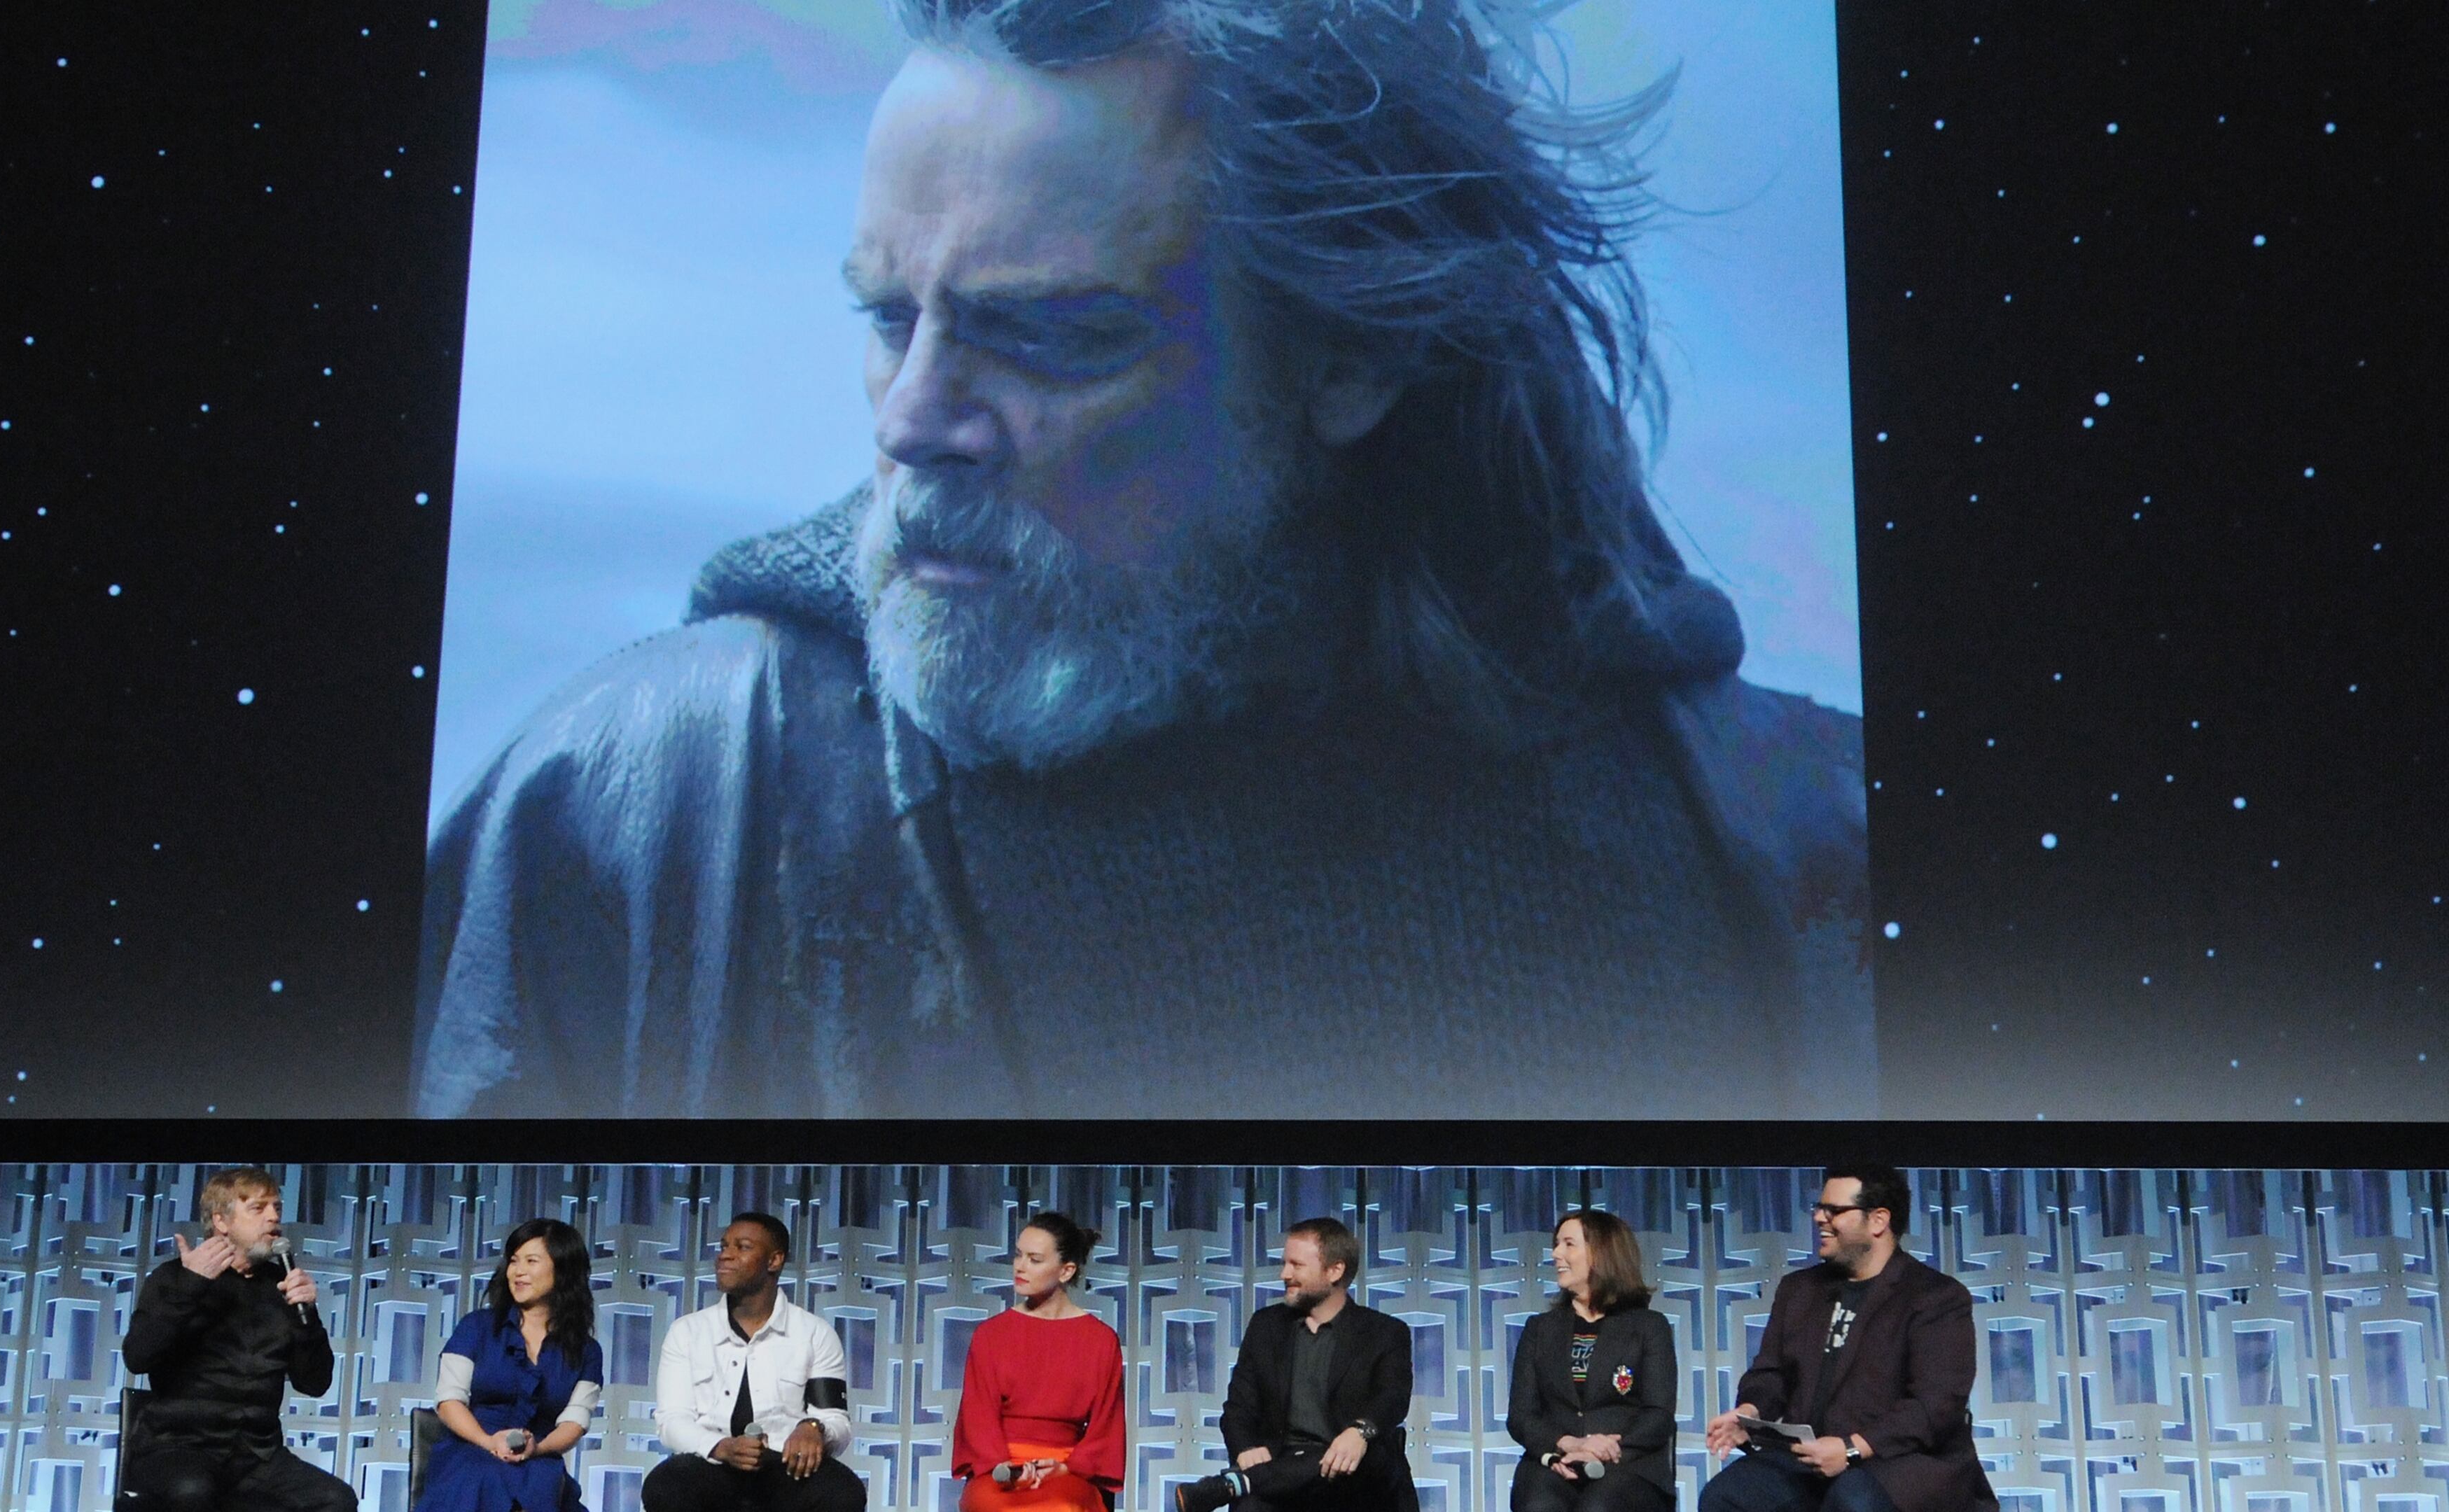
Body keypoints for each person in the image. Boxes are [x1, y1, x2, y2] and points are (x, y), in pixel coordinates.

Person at [413, 0, 1870, 1122]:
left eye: (1051, 333)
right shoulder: (636, 811)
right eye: (885, 319)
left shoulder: (1795, 847)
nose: (916, 419)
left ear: (1351, 357)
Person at [1698, 1168, 1995, 1512]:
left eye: (1834, 1210)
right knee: (1727, 1496)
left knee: (1853, 1500)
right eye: (1820, 1207)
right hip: (1811, 1460)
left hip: (1897, 1462)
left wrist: (1852, 1449)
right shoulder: (1799, 1291)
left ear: (1878, 1221)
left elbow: (1934, 1405)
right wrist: (1749, 1413)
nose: (1819, 1218)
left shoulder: (1935, 1297)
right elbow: (1771, 1374)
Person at [118, 1168, 356, 1512]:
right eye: (258, 1209)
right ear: (222, 1221)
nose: (274, 1217)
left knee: (336, 1501)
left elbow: (315, 1384)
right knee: (193, 1491)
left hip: (257, 1456)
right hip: (176, 1447)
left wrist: (308, 1318)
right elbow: (138, 1357)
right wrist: (191, 1285)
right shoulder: (175, 1278)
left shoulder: (284, 1286)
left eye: (276, 1207)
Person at [1175, 1217, 1412, 1512]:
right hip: (1280, 1464)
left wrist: (1359, 1432)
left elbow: (1393, 1397)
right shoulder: (1266, 1326)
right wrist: (1246, 1448)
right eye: (1285, 1263)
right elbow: (1238, 1409)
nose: (1284, 1274)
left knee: (1366, 1455)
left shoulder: (1385, 1332)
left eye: (1296, 1265)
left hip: (1351, 1471)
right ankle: (1250, 1482)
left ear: (1335, 1270)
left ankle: (1240, 1483)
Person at [646, 1213, 865, 1512]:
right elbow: (672, 1422)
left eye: (742, 1247)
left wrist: (813, 1428)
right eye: (724, 1246)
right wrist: (722, 1447)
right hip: (711, 1465)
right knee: (666, 1484)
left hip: (785, 1470)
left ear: (774, 1261)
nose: (725, 1255)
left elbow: (836, 1421)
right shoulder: (688, 1331)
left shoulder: (814, 1333)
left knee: (842, 1491)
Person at [419, 1219, 606, 1512]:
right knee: (483, 1478)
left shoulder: (587, 1351)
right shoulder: (477, 1327)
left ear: (564, 1270)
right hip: (471, 1450)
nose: (517, 1272)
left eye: (531, 1261)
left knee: (542, 1491)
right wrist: (488, 1441)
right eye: (514, 1261)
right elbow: (449, 1400)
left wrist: (537, 1449)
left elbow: (574, 1423)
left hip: (538, 1460)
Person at [952, 1213, 1126, 1512]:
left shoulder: (1101, 1341)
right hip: (1001, 1469)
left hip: (1066, 1470)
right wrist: (1002, 1468)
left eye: (1034, 1259)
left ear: (1066, 1271)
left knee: (1063, 1507)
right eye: (1018, 1255)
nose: (1020, 1267)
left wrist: (1069, 1467)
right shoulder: (991, 1335)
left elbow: (1105, 1427)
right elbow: (977, 1416)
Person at [1507, 1212, 1675, 1512]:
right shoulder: (1539, 1329)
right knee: (1538, 1506)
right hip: (1556, 1462)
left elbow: (1658, 1415)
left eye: (1569, 1244)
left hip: (1629, 1463)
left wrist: (1604, 1450)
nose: (1556, 1253)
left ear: (1602, 1253)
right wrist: (1568, 1444)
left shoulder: (1650, 1326)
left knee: (1599, 1508)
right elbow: (1522, 1417)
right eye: (1556, 1244)